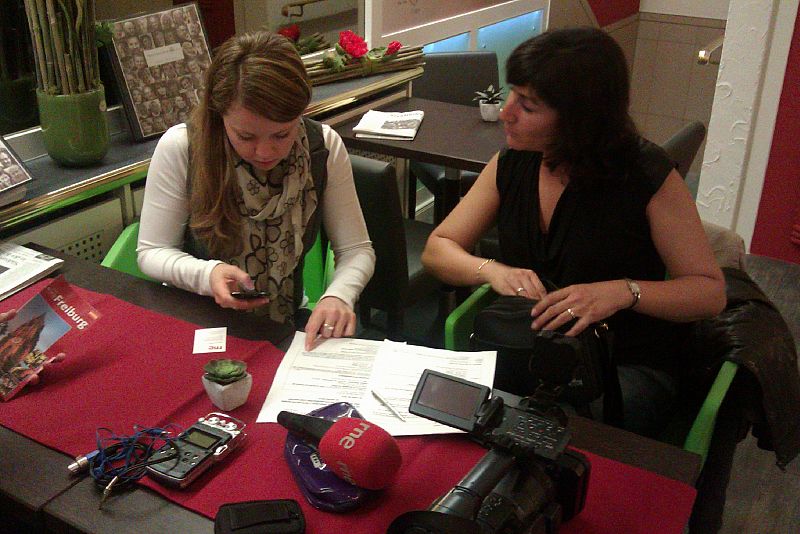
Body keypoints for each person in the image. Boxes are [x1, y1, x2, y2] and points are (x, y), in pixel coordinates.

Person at [421, 27, 726, 438]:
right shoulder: (514, 162)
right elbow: (438, 249)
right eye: (512, 94)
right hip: (530, 348)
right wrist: (492, 270)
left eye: (528, 105)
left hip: (622, 362)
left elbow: (709, 292)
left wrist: (623, 292)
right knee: (456, 409)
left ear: (579, 119)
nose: (506, 112)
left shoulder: (646, 176)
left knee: (545, 428)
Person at [138, 31, 375, 350]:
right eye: (246, 136)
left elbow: (357, 249)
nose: (264, 152)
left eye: (282, 134)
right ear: (219, 113)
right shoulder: (183, 148)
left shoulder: (322, 148)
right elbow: (152, 252)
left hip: (282, 322)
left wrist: (339, 295)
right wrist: (208, 274)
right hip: (198, 322)